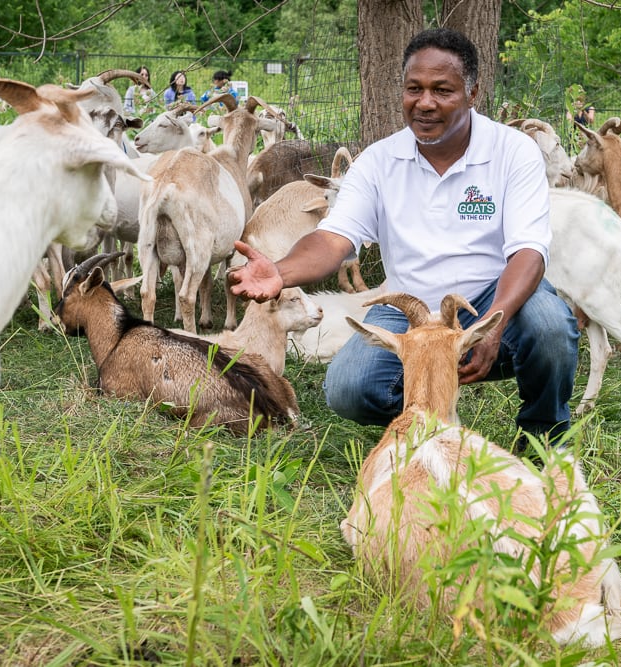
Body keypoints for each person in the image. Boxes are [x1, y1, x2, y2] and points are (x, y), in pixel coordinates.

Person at [228, 27, 579, 450]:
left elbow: (528, 252)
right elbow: (333, 239)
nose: (425, 102)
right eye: (414, 88)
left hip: (492, 298)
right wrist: (279, 272)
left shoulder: (512, 151)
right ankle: (427, 425)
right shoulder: (379, 162)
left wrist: (492, 327)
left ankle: (543, 437)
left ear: (473, 93)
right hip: (409, 311)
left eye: (442, 90)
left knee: (550, 326)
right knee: (348, 388)